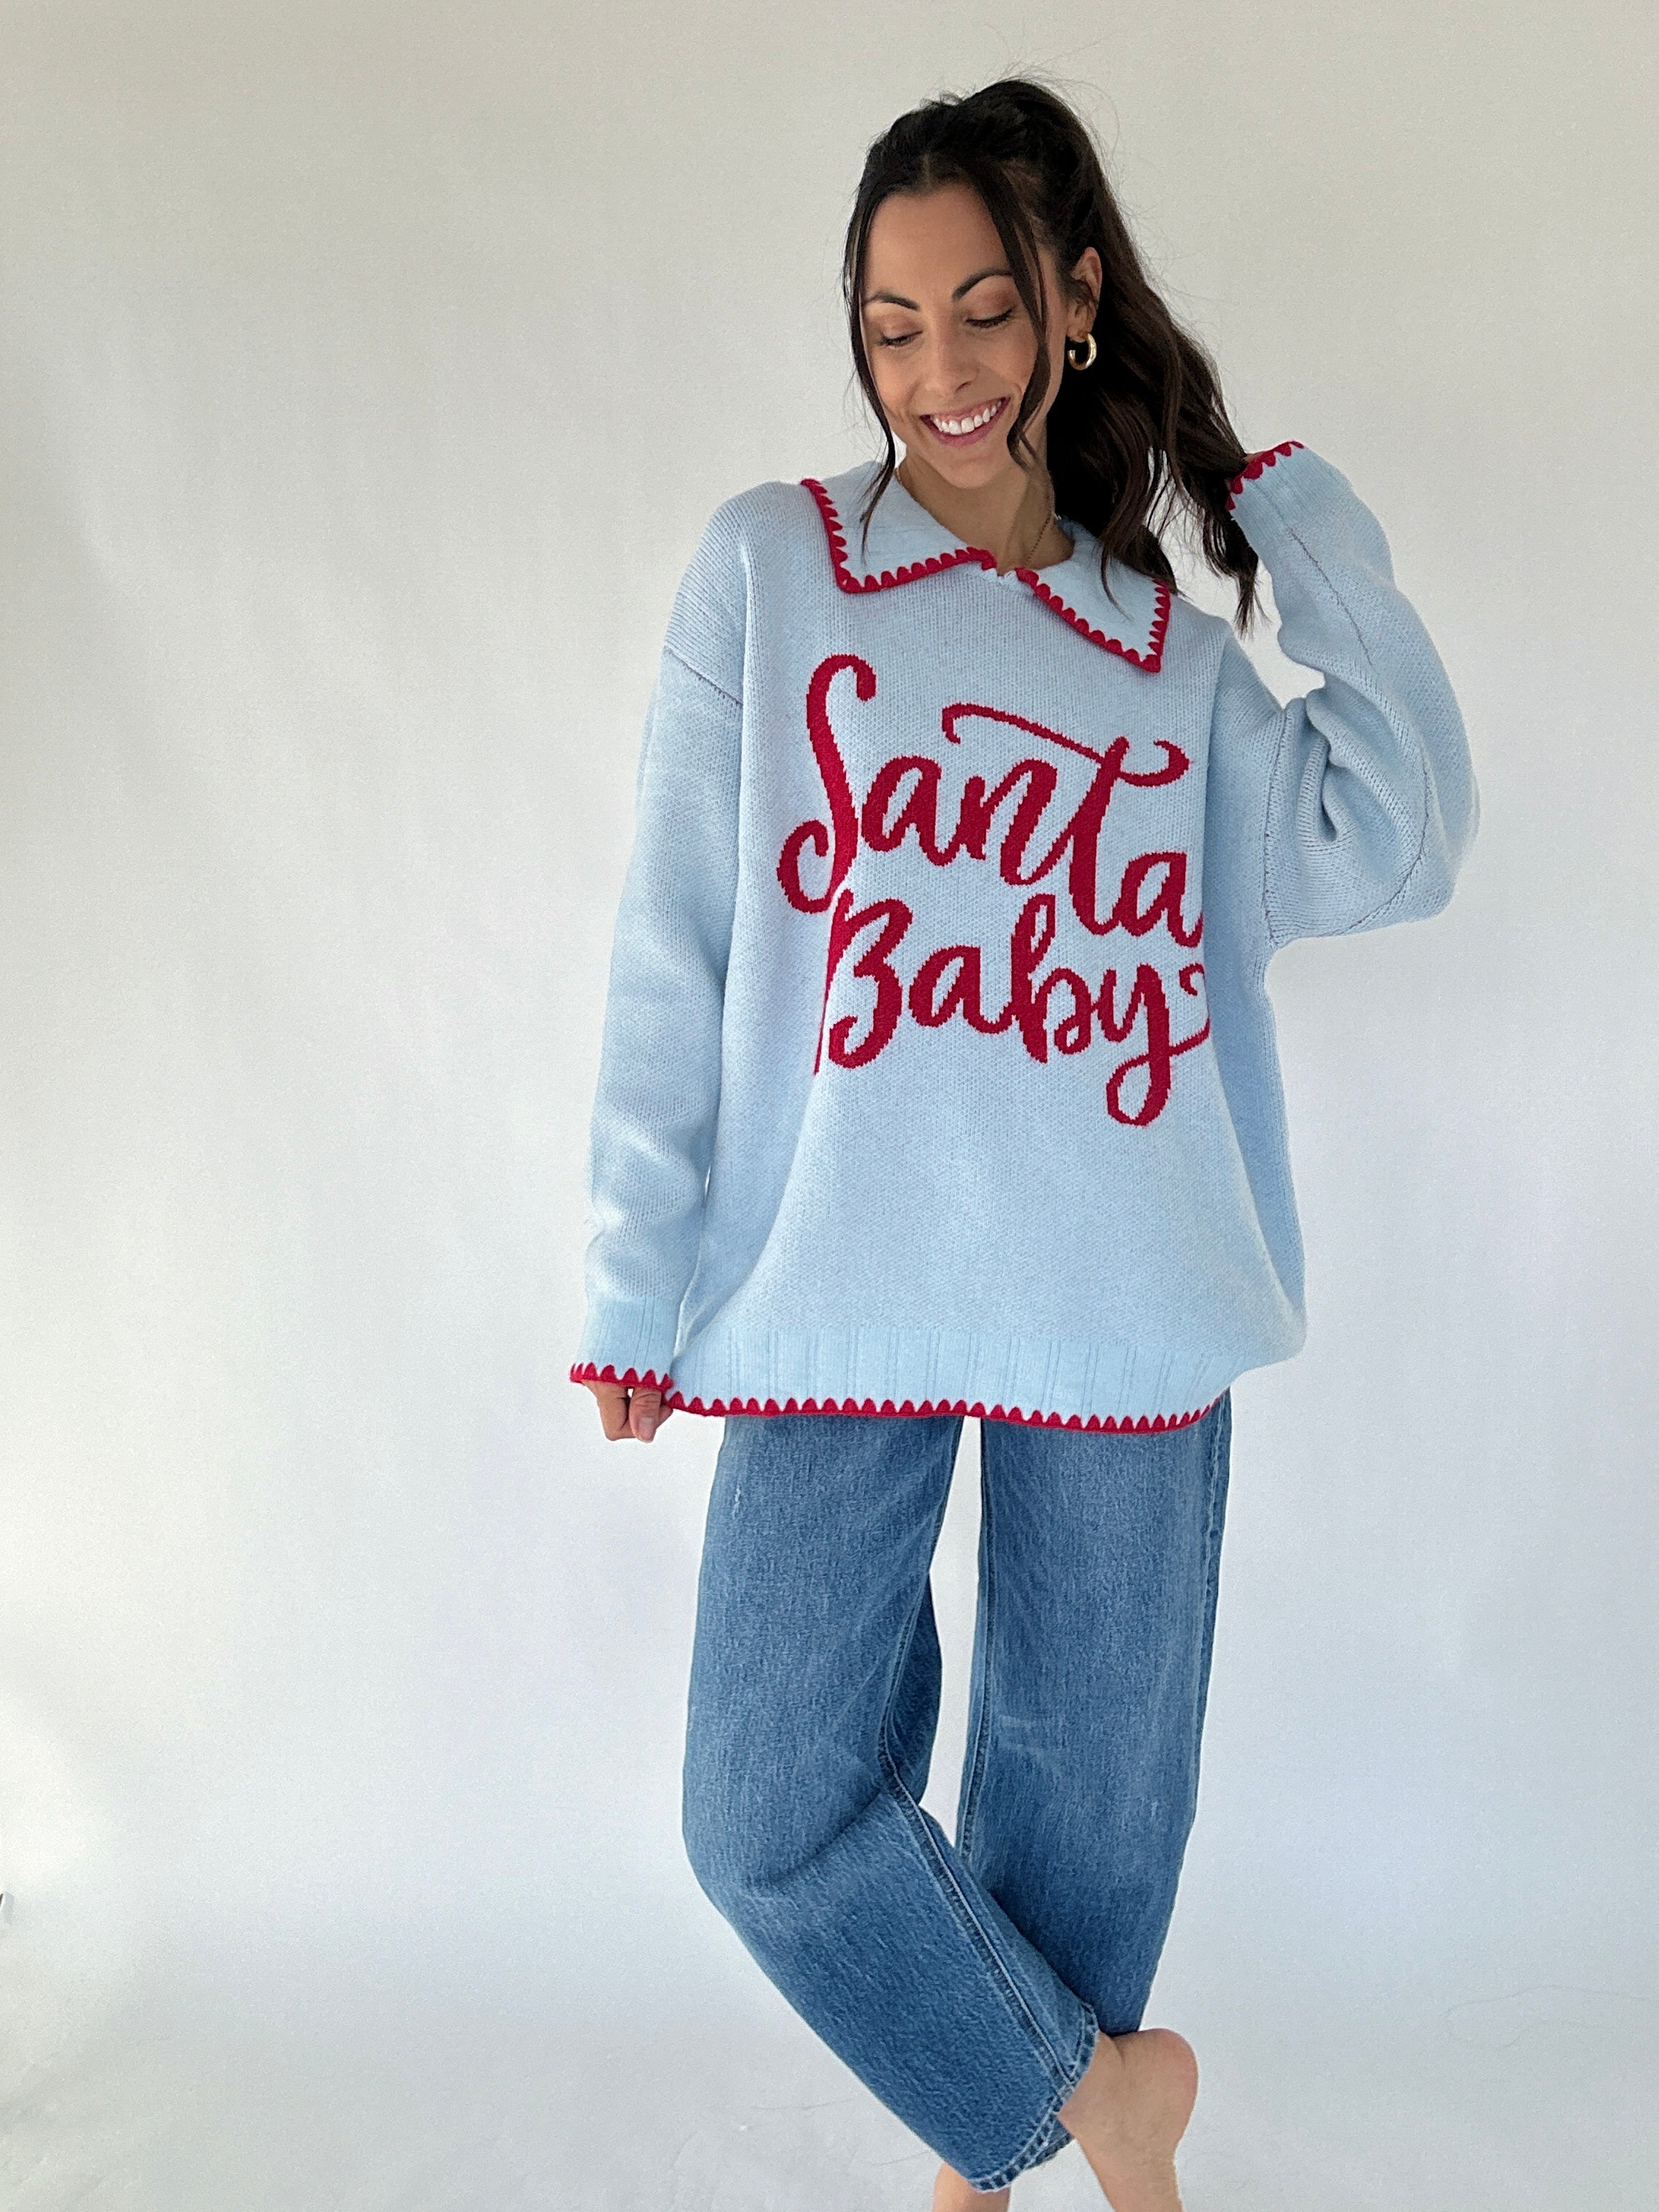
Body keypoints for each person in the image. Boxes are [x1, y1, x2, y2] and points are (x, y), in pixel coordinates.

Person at [570, 74, 1478, 2210]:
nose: (938, 373)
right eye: (890, 327)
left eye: (982, 313)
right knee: (763, 1808)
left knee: (1088, 1805)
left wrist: (1280, 515)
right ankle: (1096, 2099)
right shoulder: (769, 572)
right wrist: (633, 1275)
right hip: (824, 1288)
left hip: (1122, 1295)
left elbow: (1400, 839)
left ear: (1071, 308)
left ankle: (994, 2174)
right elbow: (668, 948)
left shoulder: (1163, 673)